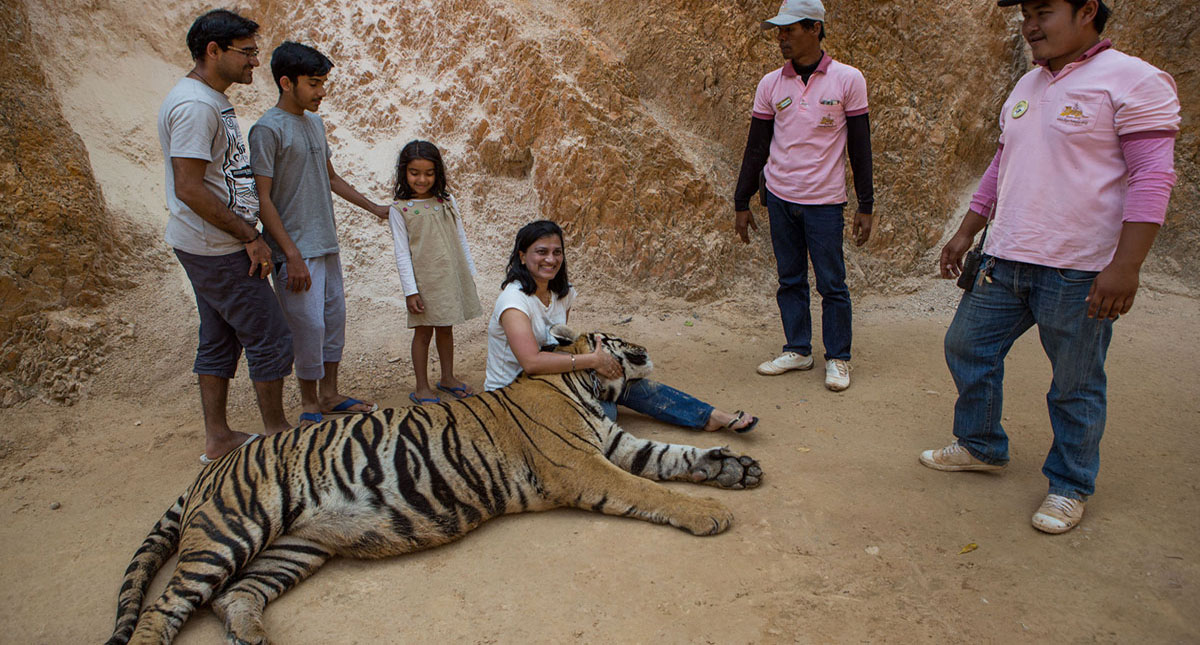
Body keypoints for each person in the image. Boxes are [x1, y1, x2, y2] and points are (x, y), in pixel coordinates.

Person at [920, 0, 1180, 534]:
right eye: (1024, 15)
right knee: (967, 345)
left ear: (1088, 10)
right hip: (1005, 257)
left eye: (1043, 11)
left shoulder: (1134, 81)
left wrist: (1126, 267)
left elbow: (1153, 179)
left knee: (1075, 383)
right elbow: (1002, 163)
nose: (1029, 26)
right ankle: (981, 445)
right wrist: (968, 229)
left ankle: (1070, 484)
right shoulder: (1027, 86)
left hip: (1079, 270)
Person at [157, 9, 293, 463]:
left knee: (219, 336)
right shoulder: (196, 106)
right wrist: (249, 235)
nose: (255, 62)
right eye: (248, 52)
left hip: (208, 243)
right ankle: (277, 433)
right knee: (270, 334)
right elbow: (190, 186)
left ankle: (219, 438)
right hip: (218, 246)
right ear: (213, 51)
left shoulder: (206, 98)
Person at [485, 220, 759, 433]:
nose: (551, 259)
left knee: (620, 379)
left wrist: (599, 365)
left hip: (549, 381)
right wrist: (591, 360)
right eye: (541, 252)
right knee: (608, 411)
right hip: (512, 392)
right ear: (522, 256)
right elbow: (531, 362)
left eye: (557, 252)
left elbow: (558, 346)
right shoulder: (514, 301)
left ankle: (708, 416)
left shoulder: (563, 293)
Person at [733, 0, 875, 392]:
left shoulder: (848, 80)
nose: (781, 37)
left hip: (825, 203)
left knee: (832, 282)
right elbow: (756, 147)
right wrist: (741, 201)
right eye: (778, 31)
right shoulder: (771, 84)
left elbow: (860, 148)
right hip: (779, 198)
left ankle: (838, 357)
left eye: (789, 30)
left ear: (815, 28)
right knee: (789, 279)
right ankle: (798, 348)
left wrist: (867, 204)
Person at [248, 42, 388, 426]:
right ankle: (309, 402)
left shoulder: (314, 123)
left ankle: (329, 394)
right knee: (306, 327)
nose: (322, 92)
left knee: (332, 320)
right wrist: (290, 253)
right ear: (286, 82)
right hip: (294, 250)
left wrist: (375, 208)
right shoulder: (266, 130)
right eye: (314, 83)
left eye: (324, 82)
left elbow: (330, 178)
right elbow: (263, 199)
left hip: (325, 242)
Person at [387, 141, 483, 405]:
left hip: (448, 277)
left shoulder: (446, 201)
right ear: (404, 172)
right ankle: (421, 387)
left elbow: (459, 236)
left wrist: (467, 273)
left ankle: (448, 378)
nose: (422, 179)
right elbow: (402, 254)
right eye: (415, 173)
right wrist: (411, 290)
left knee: (446, 328)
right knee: (423, 332)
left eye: (429, 173)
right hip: (423, 283)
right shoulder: (400, 210)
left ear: (438, 172)